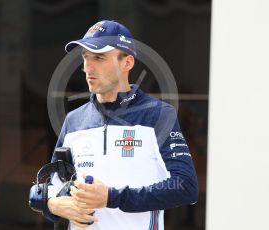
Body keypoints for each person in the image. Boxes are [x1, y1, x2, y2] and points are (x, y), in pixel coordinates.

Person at [44, 20, 198, 229]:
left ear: (127, 63)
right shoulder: (74, 120)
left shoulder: (158, 115)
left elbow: (186, 187)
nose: (87, 67)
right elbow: (51, 185)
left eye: (98, 57)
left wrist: (111, 197)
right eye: (85, 57)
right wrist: (54, 205)